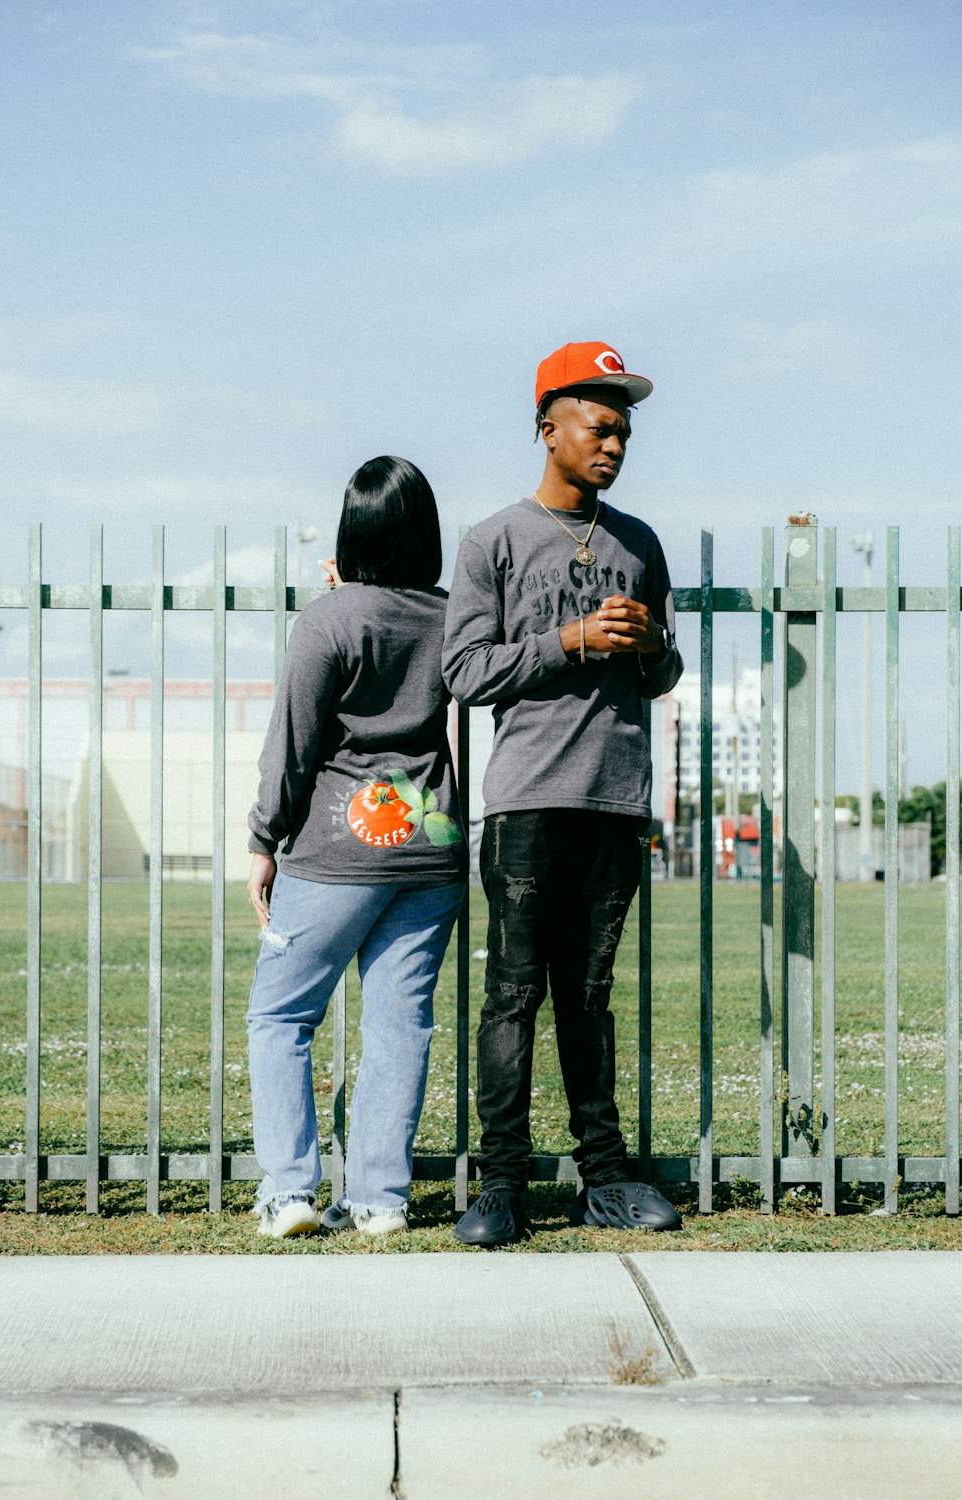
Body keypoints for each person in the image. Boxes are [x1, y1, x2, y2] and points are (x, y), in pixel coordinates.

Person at [442, 340, 684, 1246]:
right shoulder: (494, 540)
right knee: (511, 998)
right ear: (549, 427)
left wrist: (650, 647)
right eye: (598, 425)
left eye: (623, 431)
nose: (614, 443)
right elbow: (465, 671)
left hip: (615, 802)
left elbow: (664, 675)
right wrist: (573, 639)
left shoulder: (641, 543)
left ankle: (605, 1181)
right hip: (527, 804)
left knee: (587, 998)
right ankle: (500, 1186)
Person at [246, 456, 467, 1238]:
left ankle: (290, 1194)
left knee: (281, 1017)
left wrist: (263, 839)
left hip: (337, 851)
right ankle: (380, 1201)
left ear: (350, 533)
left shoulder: (328, 620)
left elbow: (293, 746)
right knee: (400, 1024)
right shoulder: (451, 616)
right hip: (431, 845)